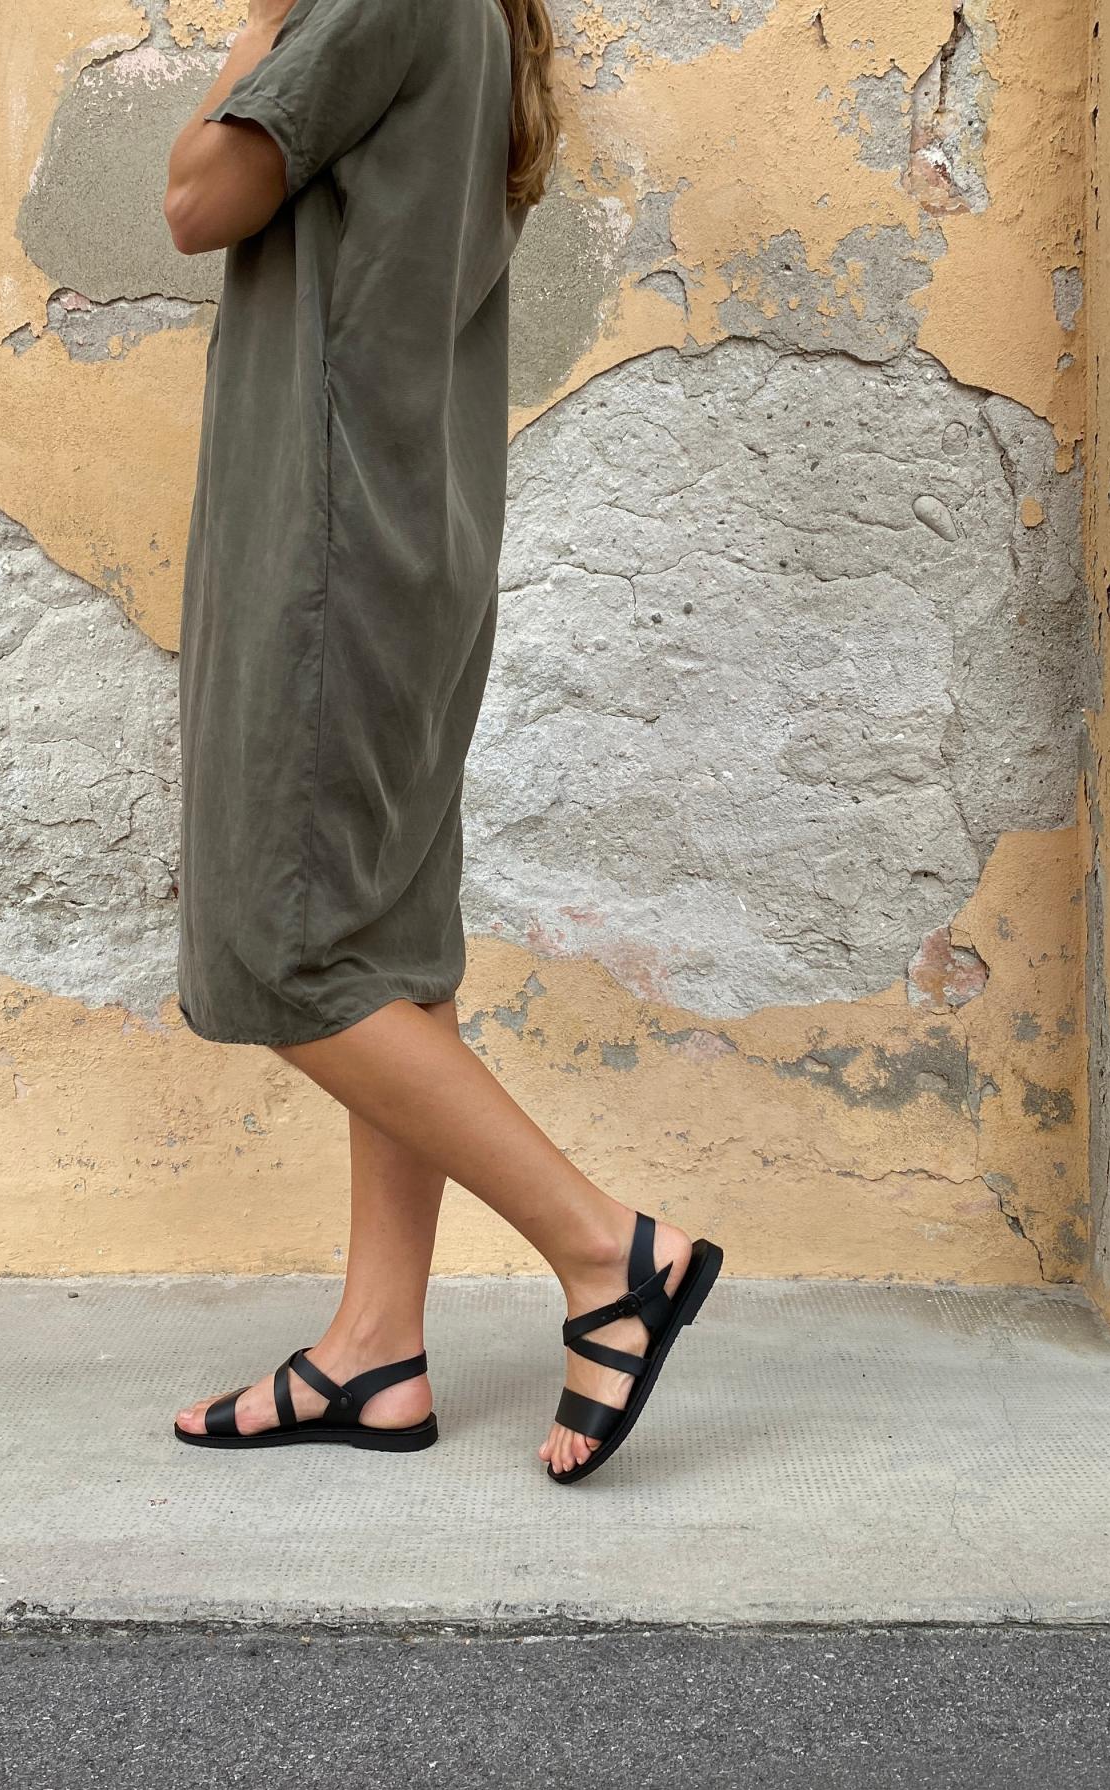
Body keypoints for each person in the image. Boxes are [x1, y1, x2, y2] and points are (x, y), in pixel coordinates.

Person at [161, 0, 722, 1483]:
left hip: (326, 544)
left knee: (281, 952)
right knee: (389, 947)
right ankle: (375, 1348)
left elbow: (196, 199)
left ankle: (606, 1252)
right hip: (416, 532)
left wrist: (257, 23)